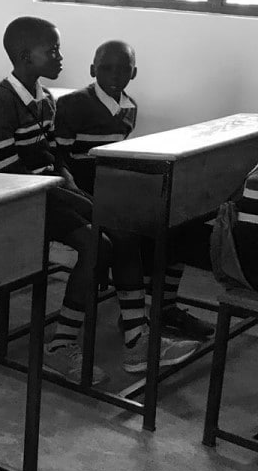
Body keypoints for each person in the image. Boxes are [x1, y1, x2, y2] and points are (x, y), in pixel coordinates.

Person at [0, 17, 198, 380]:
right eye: (52, 50)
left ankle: (137, 341)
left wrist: (69, 184)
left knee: (122, 234)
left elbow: (53, 156)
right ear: (24, 56)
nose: (60, 57)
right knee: (96, 245)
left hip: (46, 192)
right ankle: (61, 345)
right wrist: (68, 192)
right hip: (13, 201)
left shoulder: (45, 99)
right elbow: (6, 173)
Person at [55, 40, 214, 341]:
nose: (115, 74)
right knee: (132, 231)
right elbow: (61, 159)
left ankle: (162, 307)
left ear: (135, 72)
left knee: (181, 224)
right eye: (106, 68)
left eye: (124, 69)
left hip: (115, 187)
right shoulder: (72, 104)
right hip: (85, 189)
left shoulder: (130, 106)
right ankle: (137, 315)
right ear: (92, 70)